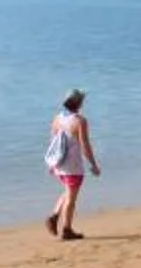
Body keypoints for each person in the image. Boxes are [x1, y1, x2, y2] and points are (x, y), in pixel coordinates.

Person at [43, 88, 101, 240]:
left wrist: (52, 164)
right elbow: (85, 145)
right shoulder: (79, 121)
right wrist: (93, 164)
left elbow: (53, 142)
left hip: (60, 164)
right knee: (71, 199)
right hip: (73, 166)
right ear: (79, 103)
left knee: (68, 191)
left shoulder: (57, 118)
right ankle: (66, 229)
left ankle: (54, 217)